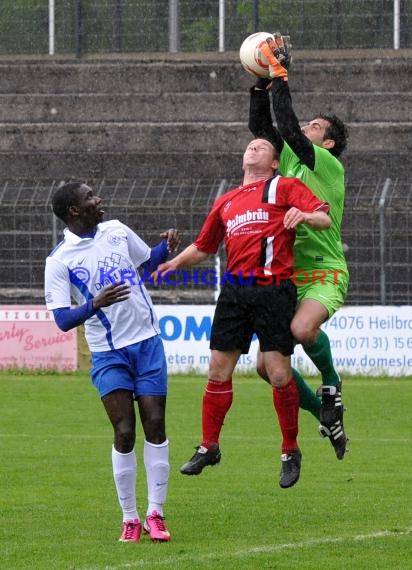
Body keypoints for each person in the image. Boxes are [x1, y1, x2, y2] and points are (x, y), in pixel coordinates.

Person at [156, 138, 331, 489]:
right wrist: (175, 261)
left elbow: (324, 219)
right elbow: (204, 246)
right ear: (242, 159)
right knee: (217, 370)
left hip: (273, 288)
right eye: (250, 146)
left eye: (262, 146)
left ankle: (290, 450)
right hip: (235, 291)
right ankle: (209, 446)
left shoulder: (284, 186)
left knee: (279, 374)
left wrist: (306, 215)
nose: (254, 148)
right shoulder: (227, 200)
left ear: (275, 163)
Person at [44, 181, 181, 543]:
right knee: (124, 431)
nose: (98, 199)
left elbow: (148, 263)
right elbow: (61, 319)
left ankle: (156, 513)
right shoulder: (60, 261)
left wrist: (164, 247)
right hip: (108, 352)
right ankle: (129, 517)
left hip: (147, 342)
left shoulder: (117, 230)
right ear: (74, 211)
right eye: (90, 197)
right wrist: (95, 304)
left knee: (155, 422)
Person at [248, 33, 350, 460]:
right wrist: (259, 84)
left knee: (302, 330)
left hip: (325, 269)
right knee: (266, 368)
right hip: (289, 273)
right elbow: (263, 128)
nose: (305, 128)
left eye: (315, 128)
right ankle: (323, 414)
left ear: (326, 143)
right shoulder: (291, 159)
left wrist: (281, 75)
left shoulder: (325, 164)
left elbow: (286, 126)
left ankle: (332, 385)